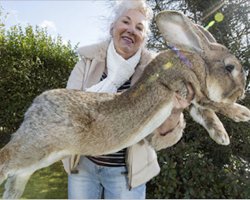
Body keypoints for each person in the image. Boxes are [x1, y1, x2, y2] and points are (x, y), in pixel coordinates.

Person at [62, 0, 194, 199]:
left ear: (143, 39)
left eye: (139, 28)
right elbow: (66, 111)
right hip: (83, 168)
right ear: (112, 28)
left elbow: (159, 136)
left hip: (125, 175)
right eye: (126, 22)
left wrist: (175, 111)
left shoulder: (155, 75)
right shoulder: (86, 64)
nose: (132, 30)